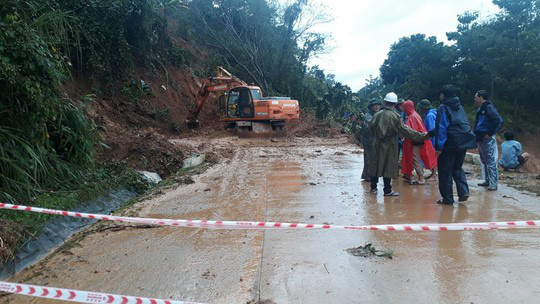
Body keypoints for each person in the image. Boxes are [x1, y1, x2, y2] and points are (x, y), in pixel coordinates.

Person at [367, 92, 429, 196]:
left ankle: (373, 188)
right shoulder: (396, 116)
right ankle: (387, 190)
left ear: (385, 102)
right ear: (395, 104)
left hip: (376, 144)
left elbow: (370, 129)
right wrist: (423, 135)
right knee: (388, 166)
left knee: (375, 164)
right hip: (390, 144)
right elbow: (406, 131)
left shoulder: (377, 114)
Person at [429, 85, 477, 205]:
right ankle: (463, 192)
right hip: (463, 141)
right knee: (457, 167)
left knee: (445, 171)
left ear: (443, 95)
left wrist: (439, 147)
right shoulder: (459, 106)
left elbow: (442, 128)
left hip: (450, 143)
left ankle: (447, 199)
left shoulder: (443, 107)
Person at [401, 100, 438, 185]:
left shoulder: (412, 117)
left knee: (415, 159)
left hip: (416, 141)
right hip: (422, 140)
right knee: (427, 156)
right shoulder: (415, 115)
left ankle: (421, 178)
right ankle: (410, 175)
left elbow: (412, 132)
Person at [474, 90, 503, 191]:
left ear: (481, 97)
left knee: (490, 160)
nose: (475, 99)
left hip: (486, 137)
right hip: (480, 137)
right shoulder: (481, 109)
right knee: (484, 160)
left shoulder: (488, 107)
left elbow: (498, 120)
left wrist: (490, 133)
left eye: (476, 97)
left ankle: (493, 183)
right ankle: (487, 180)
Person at [361, 98, 382, 181]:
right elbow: (370, 127)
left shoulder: (377, 115)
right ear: (371, 107)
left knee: (373, 158)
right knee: (369, 158)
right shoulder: (368, 116)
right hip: (369, 139)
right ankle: (368, 176)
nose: (377, 107)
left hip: (374, 139)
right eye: (374, 105)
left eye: (378, 105)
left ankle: (369, 175)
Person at [417, 99, 438, 178]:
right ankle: (433, 173)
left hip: (432, 139)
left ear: (423, 108)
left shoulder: (430, 116)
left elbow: (432, 130)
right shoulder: (433, 113)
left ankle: (434, 174)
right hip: (435, 139)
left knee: (433, 156)